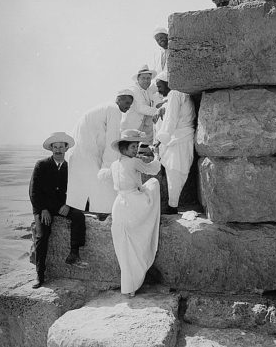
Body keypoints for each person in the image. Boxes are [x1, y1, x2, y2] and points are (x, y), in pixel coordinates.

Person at [102, 129, 162, 297]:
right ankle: (132, 283)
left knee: (124, 245)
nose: (135, 150)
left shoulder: (115, 165)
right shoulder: (134, 162)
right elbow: (153, 170)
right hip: (133, 203)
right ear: (124, 148)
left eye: (136, 146)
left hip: (119, 205)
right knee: (154, 183)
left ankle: (129, 286)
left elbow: (104, 176)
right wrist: (157, 156)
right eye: (132, 147)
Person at [29, 132, 86, 289]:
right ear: (51, 149)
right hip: (43, 208)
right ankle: (40, 275)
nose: (58, 150)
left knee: (78, 216)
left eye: (61, 146)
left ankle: (74, 253)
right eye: (55, 147)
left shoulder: (69, 167)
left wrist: (69, 204)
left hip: (61, 207)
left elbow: (76, 189)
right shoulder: (41, 165)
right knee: (42, 235)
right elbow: (34, 191)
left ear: (66, 149)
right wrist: (42, 210)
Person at [66, 90, 134, 216]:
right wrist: (109, 168)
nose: (129, 107)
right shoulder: (114, 110)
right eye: (127, 102)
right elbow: (112, 142)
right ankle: (104, 212)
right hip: (88, 152)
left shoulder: (104, 108)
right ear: (118, 99)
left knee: (84, 186)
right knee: (104, 184)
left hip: (80, 151)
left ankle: (89, 210)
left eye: (131, 104)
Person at [154, 70, 196, 214]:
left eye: (159, 86)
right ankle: (173, 204)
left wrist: (159, 140)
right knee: (178, 172)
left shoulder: (174, 94)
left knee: (175, 172)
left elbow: (171, 120)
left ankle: (172, 207)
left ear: (167, 83)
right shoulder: (183, 94)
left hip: (179, 139)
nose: (158, 90)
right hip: (183, 138)